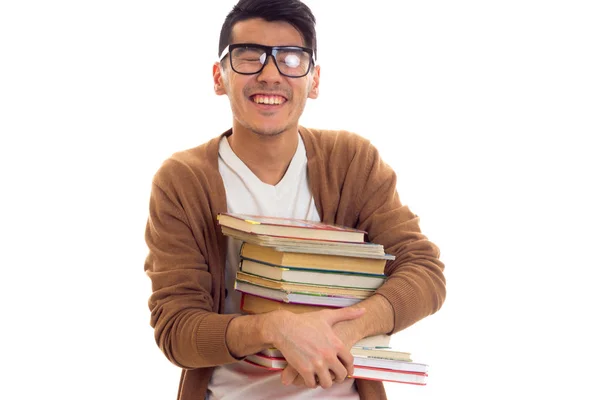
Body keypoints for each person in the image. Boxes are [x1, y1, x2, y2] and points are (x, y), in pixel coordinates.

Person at [143, 0, 446, 399]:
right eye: (249, 56)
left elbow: (424, 270)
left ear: (314, 80)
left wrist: (349, 329)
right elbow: (176, 328)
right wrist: (273, 328)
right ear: (219, 77)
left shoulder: (351, 162)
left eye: (290, 58)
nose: (270, 74)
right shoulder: (183, 181)